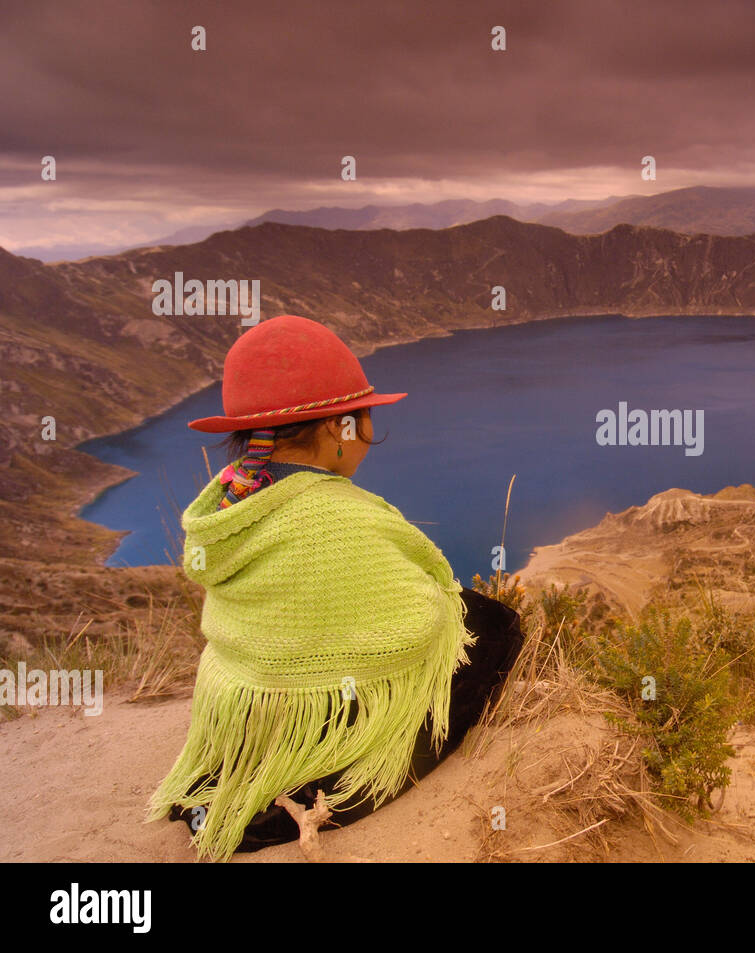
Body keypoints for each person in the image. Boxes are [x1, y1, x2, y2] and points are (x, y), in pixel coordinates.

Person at [147, 314, 523, 861]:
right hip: (319, 708)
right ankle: (308, 786)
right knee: (491, 628)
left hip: (245, 697)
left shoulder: (235, 498)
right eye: (364, 416)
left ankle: (235, 782)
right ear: (336, 429)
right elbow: (416, 626)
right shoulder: (339, 517)